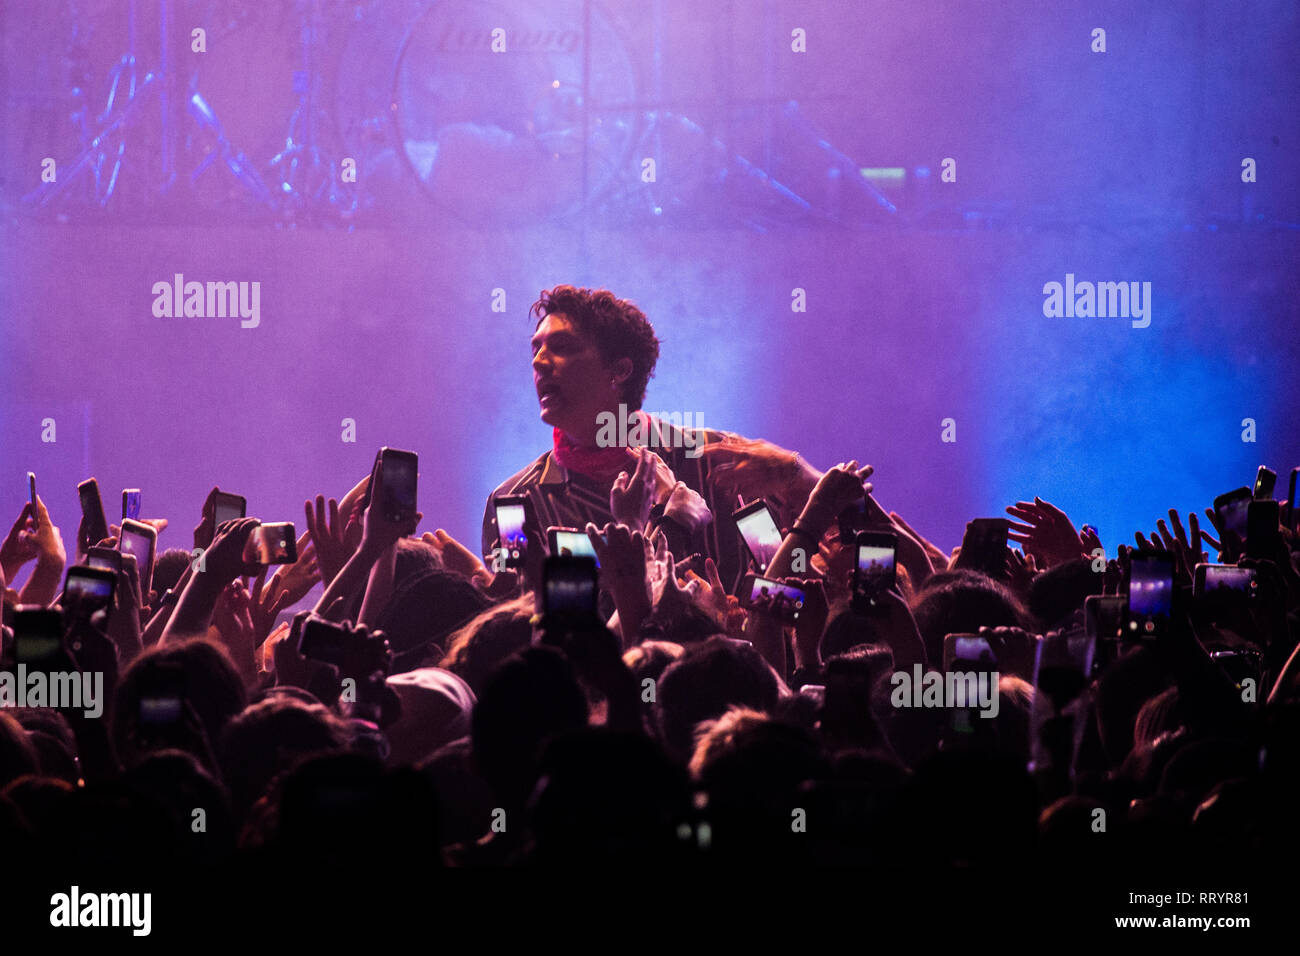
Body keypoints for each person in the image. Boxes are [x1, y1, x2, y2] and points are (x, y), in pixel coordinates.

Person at [481, 284, 824, 591]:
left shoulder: (718, 460)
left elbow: (801, 579)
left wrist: (799, 473)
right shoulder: (517, 502)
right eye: (536, 349)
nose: (539, 362)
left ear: (620, 370)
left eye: (562, 347)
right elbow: (521, 628)